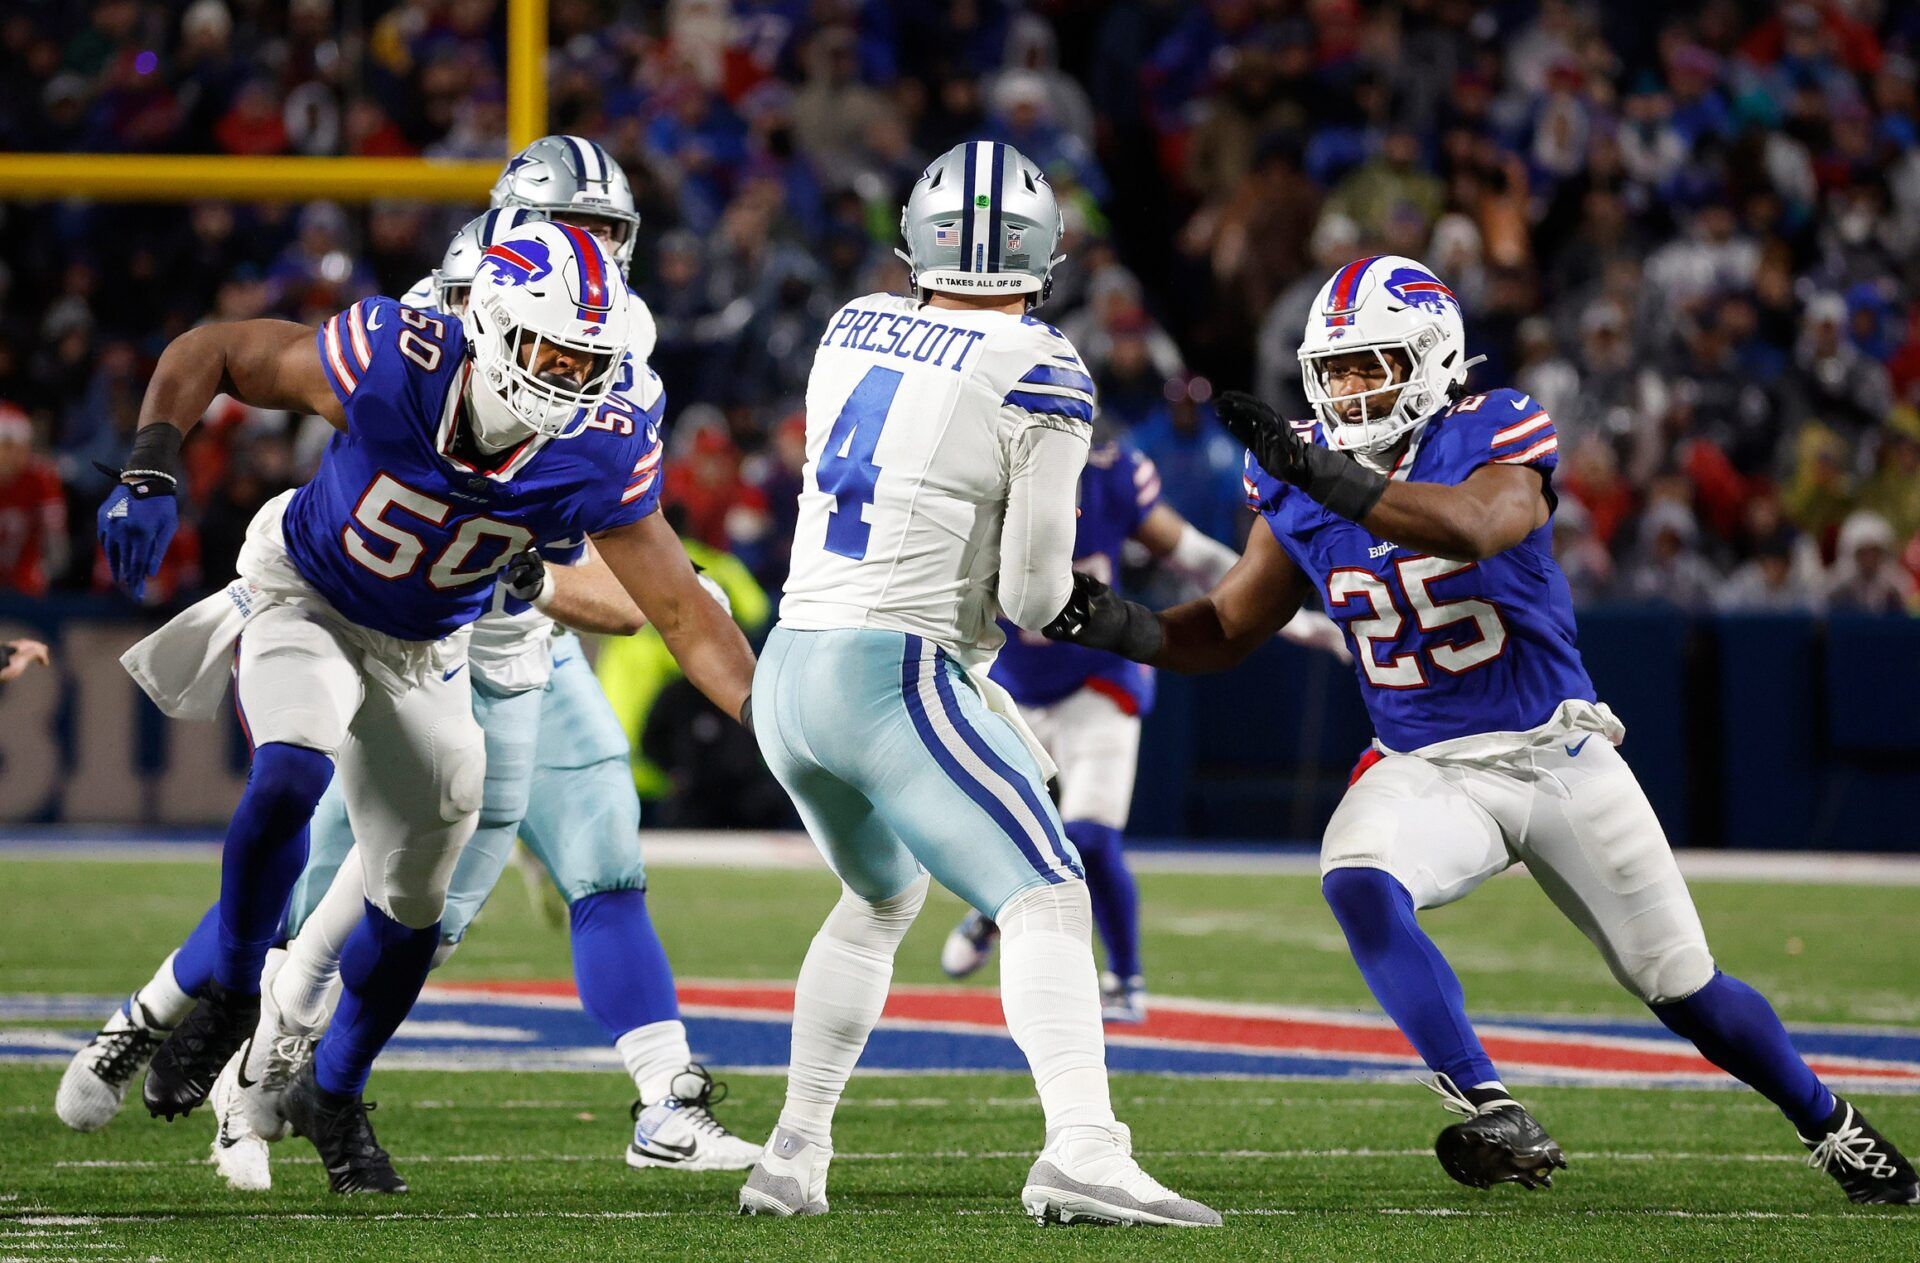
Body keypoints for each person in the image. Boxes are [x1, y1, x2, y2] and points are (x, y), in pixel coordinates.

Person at [1043, 253, 1919, 1206]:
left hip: (1556, 756)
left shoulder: (1491, 429)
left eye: (1369, 366)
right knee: (1357, 876)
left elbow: (1473, 526)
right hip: (1425, 764)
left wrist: (1335, 481)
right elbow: (1222, 629)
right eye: (1331, 370)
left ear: (1431, 357)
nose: (1345, 389)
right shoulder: (1298, 477)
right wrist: (1113, 620)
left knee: (1683, 986)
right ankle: (1490, 1101)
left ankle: (1830, 1122)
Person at [87, 218, 754, 1194]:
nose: (571, 377)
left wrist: (772, 720)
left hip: (427, 652)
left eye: (590, 359)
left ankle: (332, 1090)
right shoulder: (398, 361)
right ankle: (226, 990)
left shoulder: (598, 447)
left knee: (414, 912)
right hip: (308, 595)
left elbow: (674, 612)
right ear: (485, 318)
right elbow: (221, 350)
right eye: (553, 350)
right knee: (290, 768)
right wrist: (151, 461)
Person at [734, 141, 1218, 1228]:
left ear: (918, 238)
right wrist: (1148, 631)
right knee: (1047, 890)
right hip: (889, 672)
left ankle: (792, 1155)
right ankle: (1084, 1151)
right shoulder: (1040, 364)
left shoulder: (848, 323)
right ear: (1045, 252)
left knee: (880, 898)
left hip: (793, 662)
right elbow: (1040, 594)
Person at [939, 437, 1348, 1022]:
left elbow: (1198, 556)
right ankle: (997, 909)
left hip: (1097, 680)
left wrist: (1289, 621)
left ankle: (1122, 976)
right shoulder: (972, 486)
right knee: (991, 834)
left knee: (1091, 836)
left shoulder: (1113, 475)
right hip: (1011, 686)